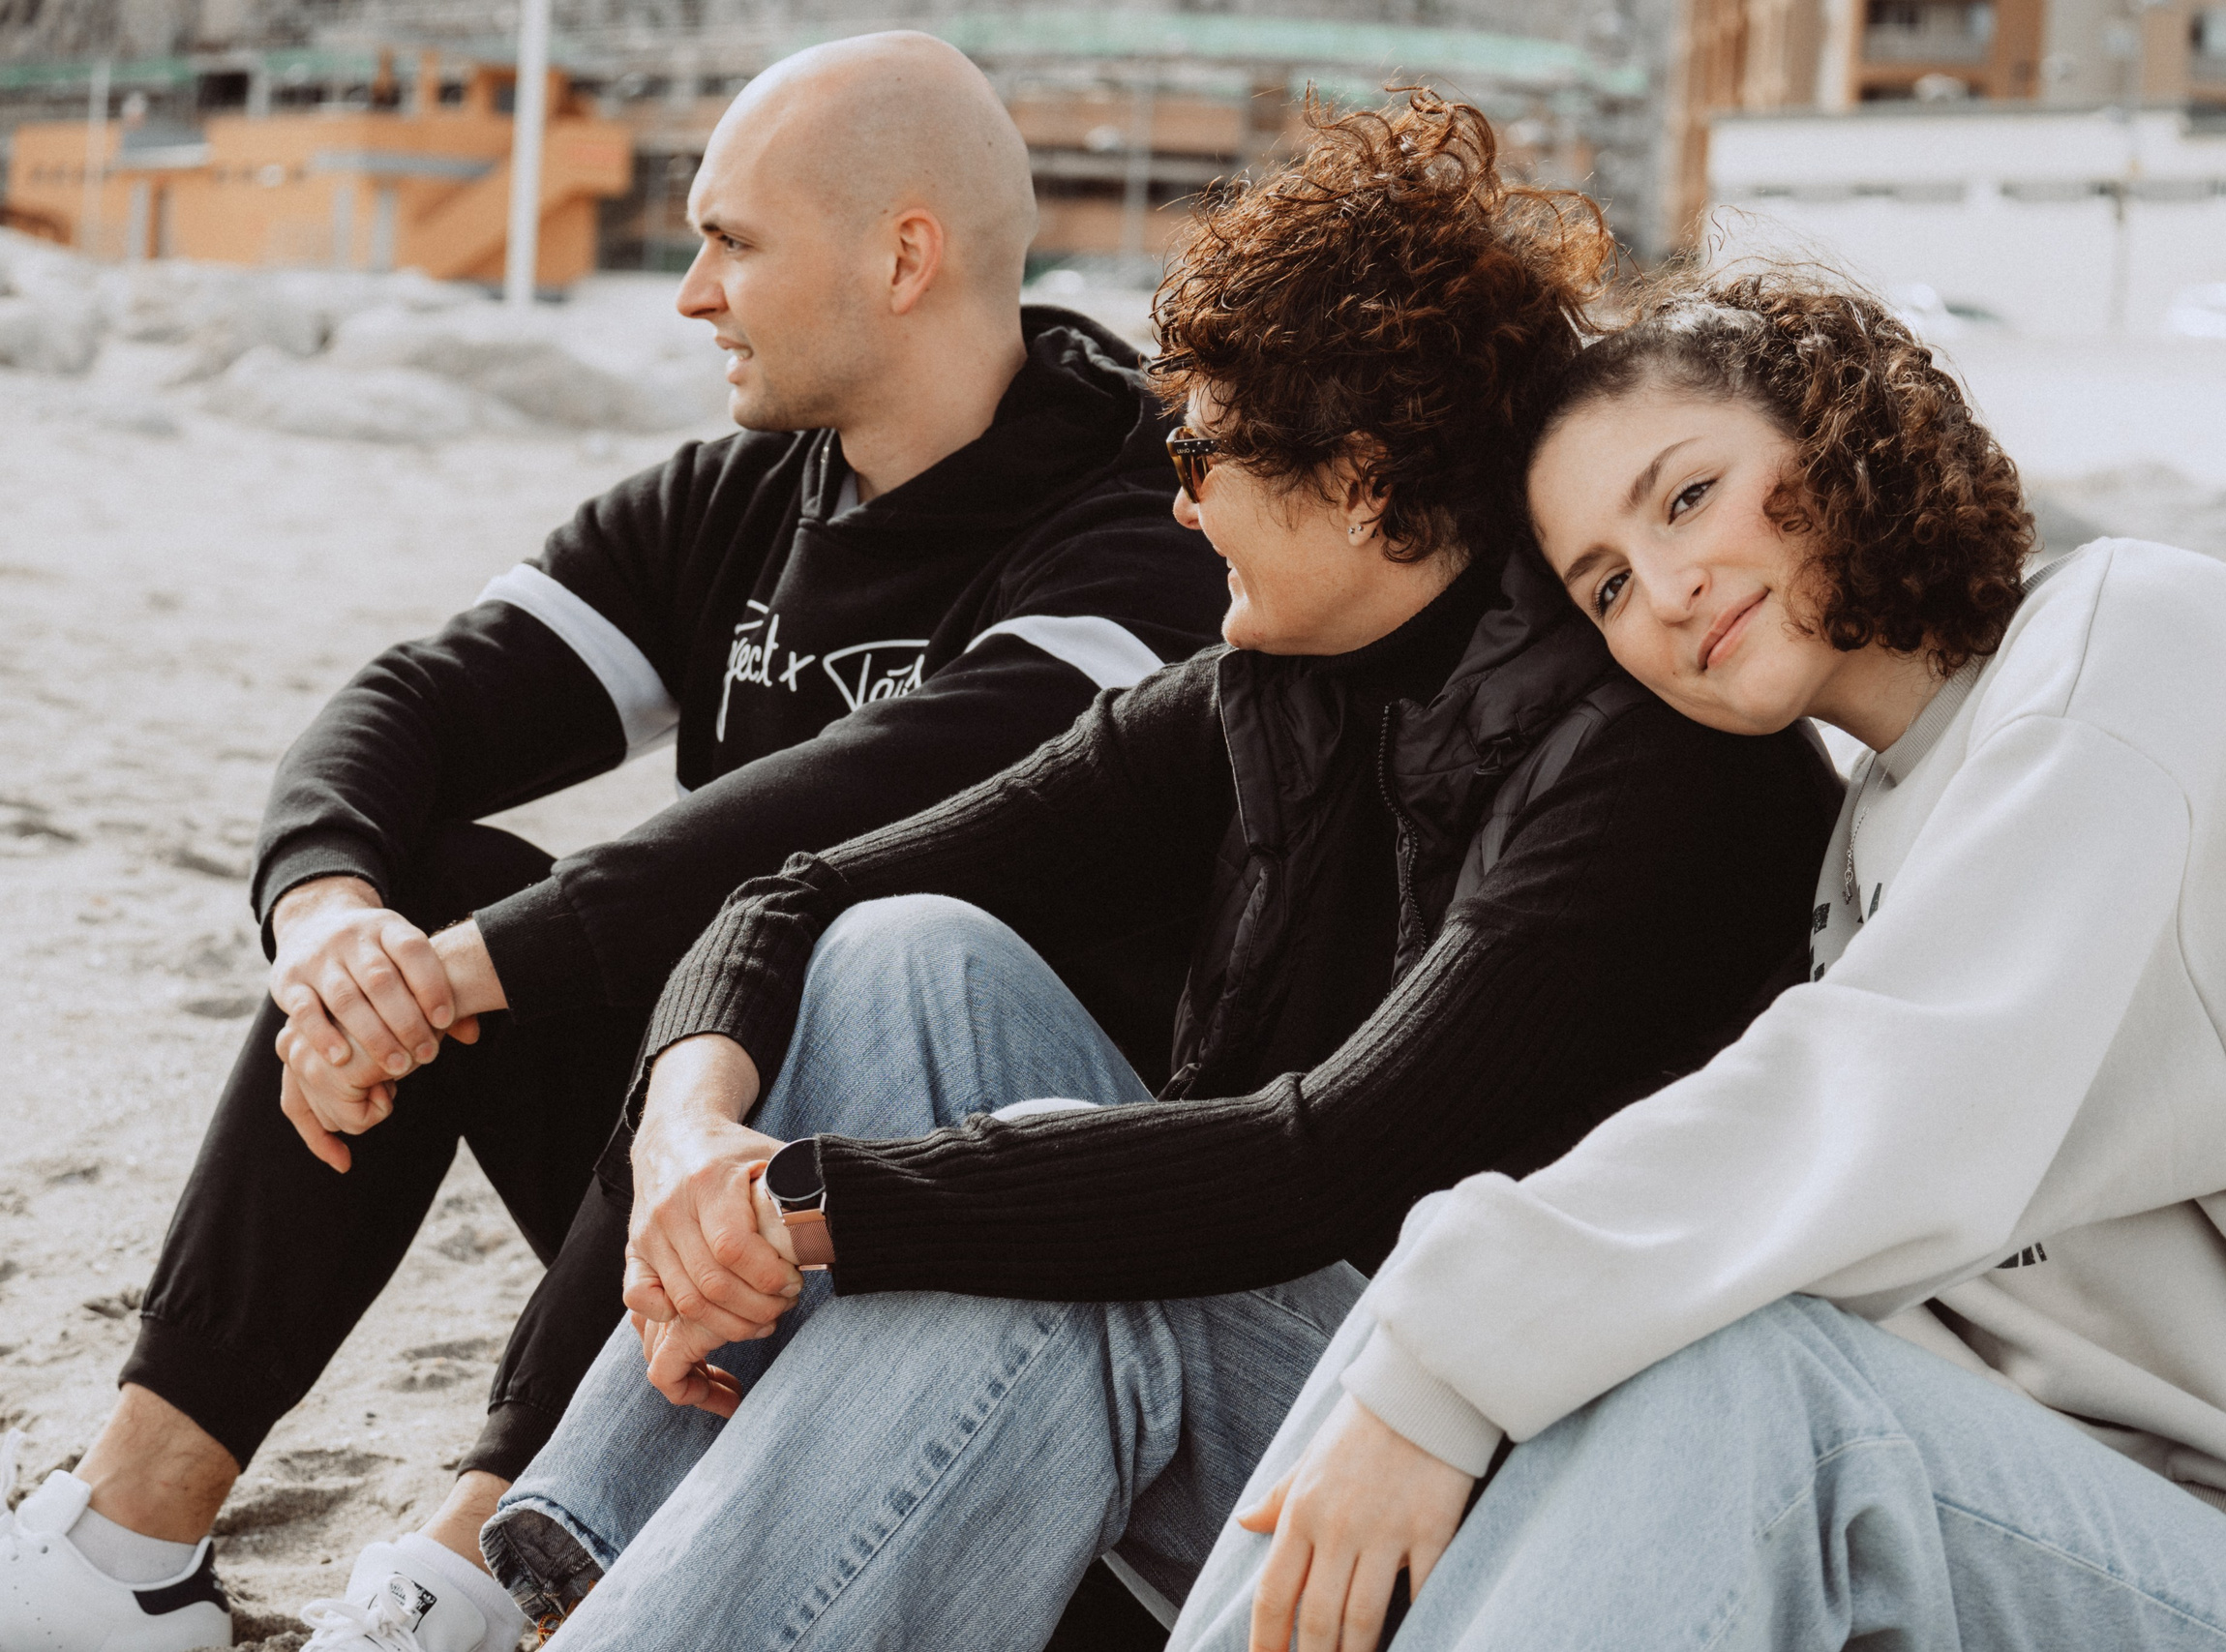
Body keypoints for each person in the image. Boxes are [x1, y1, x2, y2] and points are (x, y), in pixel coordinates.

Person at [467, 92, 1845, 1650]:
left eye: (1202, 449)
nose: (1176, 500)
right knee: (902, 953)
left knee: (1068, 1255)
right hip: (1305, 1354)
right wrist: (686, 1138)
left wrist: (804, 1203)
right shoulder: (1280, 683)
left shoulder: (1637, 765)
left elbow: (1316, 1165)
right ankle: (571, 1563)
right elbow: (792, 892)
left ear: (1368, 477)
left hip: (1498, 1469)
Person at [0, 32, 1234, 1652]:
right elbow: (414, 704)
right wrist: (332, 923)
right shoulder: (743, 498)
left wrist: (468, 973)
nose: (690, 293)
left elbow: (848, 817)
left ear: (903, 254)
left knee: (810, 954)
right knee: (426, 885)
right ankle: (125, 1549)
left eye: (731, 242)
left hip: (989, 1247)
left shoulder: (1151, 513)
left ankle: (471, 1563)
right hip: (704, 1196)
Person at [1163, 266, 2226, 1652]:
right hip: (2051, 1516)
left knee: (1718, 1377)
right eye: (1605, 585)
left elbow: (1906, 1101)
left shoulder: (2134, 642)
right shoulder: (1870, 837)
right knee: (1461, 1325)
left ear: (1836, 426)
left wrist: (1447, 1359)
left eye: (1685, 496)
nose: (1665, 592)